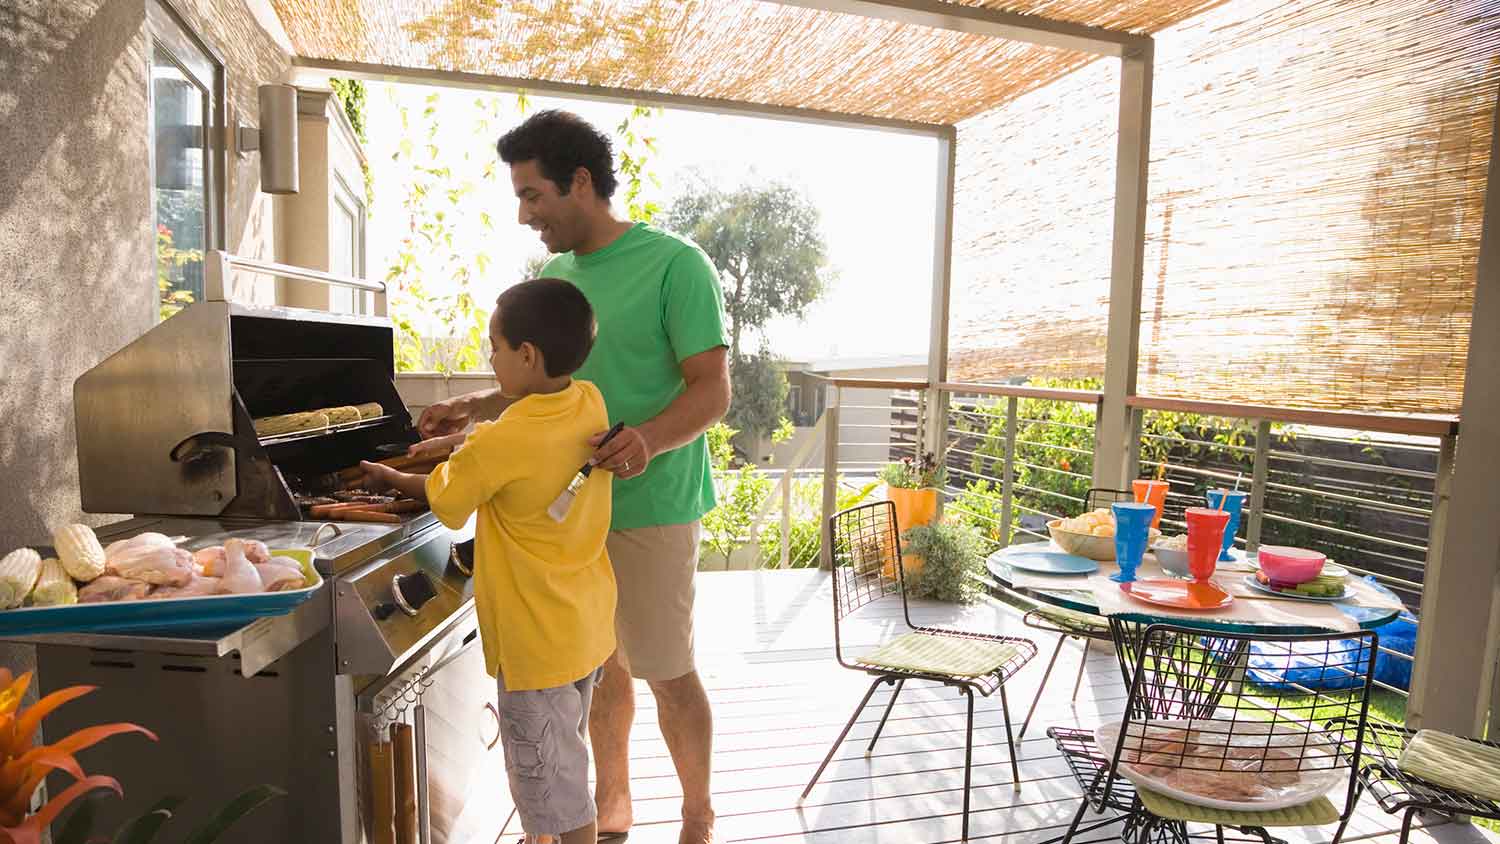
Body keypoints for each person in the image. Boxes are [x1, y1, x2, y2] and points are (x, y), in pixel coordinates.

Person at [415, 110, 731, 844]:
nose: (524, 215)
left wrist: (646, 441)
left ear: (580, 182)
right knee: (597, 668)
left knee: (665, 669)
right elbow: (541, 385)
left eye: (533, 196)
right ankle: (611, 808)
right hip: (563, 520)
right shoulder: (556, 277)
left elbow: (712, 390)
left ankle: (697, 815)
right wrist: (477, 402)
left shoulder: (675, 265)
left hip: (652, 504)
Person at [362, 279, 616, 844]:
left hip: (534, 643)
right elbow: (527, 444)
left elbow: (445, 500)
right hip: (584, 624)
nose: (490, 357)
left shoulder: (499, 444)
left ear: (526, 355)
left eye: (494, 346)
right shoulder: (588, 400)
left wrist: (389, 477)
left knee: (555, 796)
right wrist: (466, 445)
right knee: (565, 765)